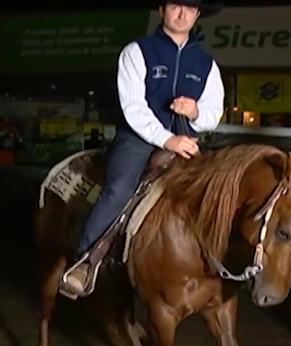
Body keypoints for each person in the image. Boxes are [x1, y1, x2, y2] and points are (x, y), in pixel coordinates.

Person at [64, 0, 225, 295]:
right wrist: (167, 139)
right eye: (176, 6)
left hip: (186, 141)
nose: (182, 14)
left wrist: (195, 112)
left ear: (198, 15)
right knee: (121, 187)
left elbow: (214, 114)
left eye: (190, 9)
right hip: (137, 139)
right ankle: (85, 260)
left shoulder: (206, 65)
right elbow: (133, 107)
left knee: (215, 192)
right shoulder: (137, 52)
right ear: (162, 9)